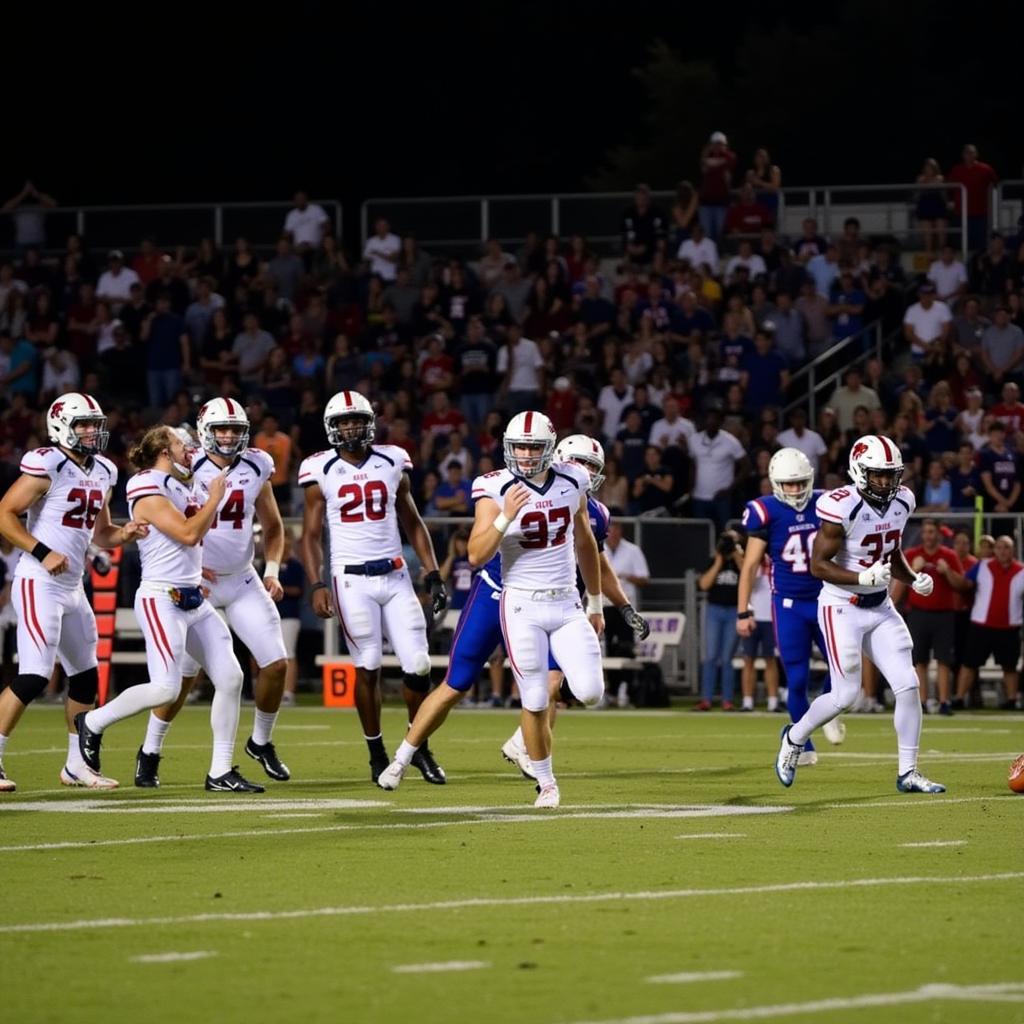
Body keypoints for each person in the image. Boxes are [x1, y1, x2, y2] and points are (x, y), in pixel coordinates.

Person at [376, 415, 606, 808]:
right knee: (464, 683)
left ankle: (525, 750)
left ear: (551, 448)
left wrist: (597, 600)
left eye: (534, 447)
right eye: (520, 446)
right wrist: (505, 516)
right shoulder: (494, 485)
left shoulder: (573, 480)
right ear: (507, 446)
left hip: (562, 600)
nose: (527, 455)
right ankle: (404, 757)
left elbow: (585, 541)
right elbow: (476, 555)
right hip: (505, 597)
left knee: (585, 691)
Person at [75, 426, 265, 792]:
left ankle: (220, 771)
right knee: (165, 688)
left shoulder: (180, 484)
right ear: (164, 449)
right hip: (162, 597)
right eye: (181, 443)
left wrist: (198, 564)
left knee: (230, 677)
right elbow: (189, 533)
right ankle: (94, 722)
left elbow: (189, 541)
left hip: (192, 593)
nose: (188, 448)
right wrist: (213, 498)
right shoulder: (147, 483)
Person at [133, 400, 291, 788]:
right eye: (221, 429)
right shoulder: (184, 468)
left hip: (241, 578)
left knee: (276, 664)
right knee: (183, 677)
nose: (228, 437)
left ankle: (261, 741)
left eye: (235, 430)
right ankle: (150, 751)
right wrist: (187, 564)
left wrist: (271, 569)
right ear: (205, 431)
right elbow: (170, 525)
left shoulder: (257, 464)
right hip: (196, 584)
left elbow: (272, 526)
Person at [775, 435, 946, 793]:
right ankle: (794, 737)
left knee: (908, 684)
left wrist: (912, 580)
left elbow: (892, 549)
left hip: (881, 606)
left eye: (890, 474)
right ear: (858, 471)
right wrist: (861, 577)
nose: (885, 482)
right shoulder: (841, 507)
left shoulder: (903, 500)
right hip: (842, 607)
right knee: (844, 695)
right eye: (876, 475)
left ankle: (908, 772)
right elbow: (818, 566)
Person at [300, 390, 449, 784]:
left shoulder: (393, 459)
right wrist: (316, 582)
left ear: (370, 422)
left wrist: (433, 573)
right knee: (366, 667)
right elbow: (311, 536)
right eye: (344, 421)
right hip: (350, 579)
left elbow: (413, 521)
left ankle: (416, 748)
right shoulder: (319, 469)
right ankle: (376, 750)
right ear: (332, 427)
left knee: (418, 665)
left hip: (396, 575)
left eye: (357, 420)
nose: (351, 427)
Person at [0, 393, 147, 792]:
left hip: (72, 585)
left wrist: (126, 534)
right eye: (83, 423)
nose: (92, 431)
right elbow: (4, 514)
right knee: (34, 675)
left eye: (94, 423)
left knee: (85, 677)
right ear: (62, 425)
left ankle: (76, 765)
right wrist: (42, 552)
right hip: (38, 581)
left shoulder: (102, 469)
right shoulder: (48, 463)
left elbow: (102, 533)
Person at [497, 435, 651, 774]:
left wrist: (620, 606)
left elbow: (598, 563)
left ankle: (525, 744)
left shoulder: (596, 512)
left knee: (567, 688)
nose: (587, 472)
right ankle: (529, 751)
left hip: (568, 607)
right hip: (528, 601)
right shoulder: (537, 495)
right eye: (581, 463)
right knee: (549, 685)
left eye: (593, 467)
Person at [739, 449, 844, 758]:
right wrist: (743, 610)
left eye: (800, 483)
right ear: (775, 483)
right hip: (788, 605)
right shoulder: (765, 511)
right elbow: (750, 565)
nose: (796, 491)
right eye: (789, 484)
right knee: (796, 678)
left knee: (842, 669)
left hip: (827, 599)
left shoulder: (826, 503)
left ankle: (830, 708)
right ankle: (802, 744)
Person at [891, 518, 968, 716]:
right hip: (918, 613)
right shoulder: (912, 555)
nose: (928, 536)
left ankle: (944, 701)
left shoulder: (948, 556)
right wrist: (913, 571)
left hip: (944, 614)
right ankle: (922, 702)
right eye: (925, 532)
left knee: (943, 660)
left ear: (938, 535)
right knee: (920, 660)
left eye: (932, 532)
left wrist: (947, 571)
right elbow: (898, 585)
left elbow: (961, 585)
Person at [954, 536, 1022, 711]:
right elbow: (964, 584)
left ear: (1012, 550)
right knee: (969, 664)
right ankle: (960, 698)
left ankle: (1012, 699)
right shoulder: (982, 566)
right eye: (999, 547)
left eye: (1006, 547)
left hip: (1009, 626)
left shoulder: (1021, 571)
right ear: (994, 550)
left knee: (1009, 666)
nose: (1002, 551)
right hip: (981, 625)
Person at [696, 528, 744, 710]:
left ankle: (727, 700)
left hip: (733, 611)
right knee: (710, 656)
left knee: (726, 658)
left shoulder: (742, 562)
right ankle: (706, 699)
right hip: (714, 610)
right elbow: (704, 584)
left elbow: (751, 581)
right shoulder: (713, 561)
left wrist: (738, 557)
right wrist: (719, 560)